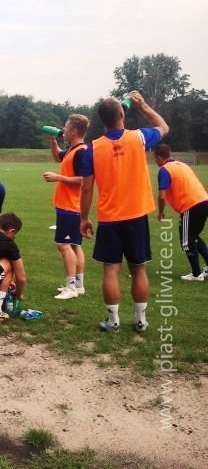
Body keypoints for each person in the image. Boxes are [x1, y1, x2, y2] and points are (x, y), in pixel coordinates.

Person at [80, 91, 169, 333]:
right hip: (136, 215)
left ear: (102, 120)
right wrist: (144, 106)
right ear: (122, 113)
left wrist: (84, 218)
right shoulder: (139, 137)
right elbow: (163, 127)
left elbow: (86, 188)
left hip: (109, 218)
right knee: (138, 268)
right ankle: (141, 321)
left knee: (111, 269)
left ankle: (113, 322)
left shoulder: (93, 148)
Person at [42, 114, 89, 300]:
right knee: (75, 245)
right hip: (69, 206)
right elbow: (57, 156)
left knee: (64, 245)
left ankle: (71, 288)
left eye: (66, 128)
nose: (63, 131)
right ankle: (78, 285)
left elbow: (83, 180)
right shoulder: (72, 150)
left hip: (71, 206)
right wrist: (53, 140)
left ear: (74, 131)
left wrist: (58, 178)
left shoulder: (81, 152)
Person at [154, 143, 208, 281]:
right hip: (204, 201)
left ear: (159, 157)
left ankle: (196, 274)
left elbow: (162, 196)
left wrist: (160, 212)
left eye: (155, 157)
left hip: (191, 205)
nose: (154, 160)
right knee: (194, 237)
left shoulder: (165, 170)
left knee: (187, 240)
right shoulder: (182, 165)